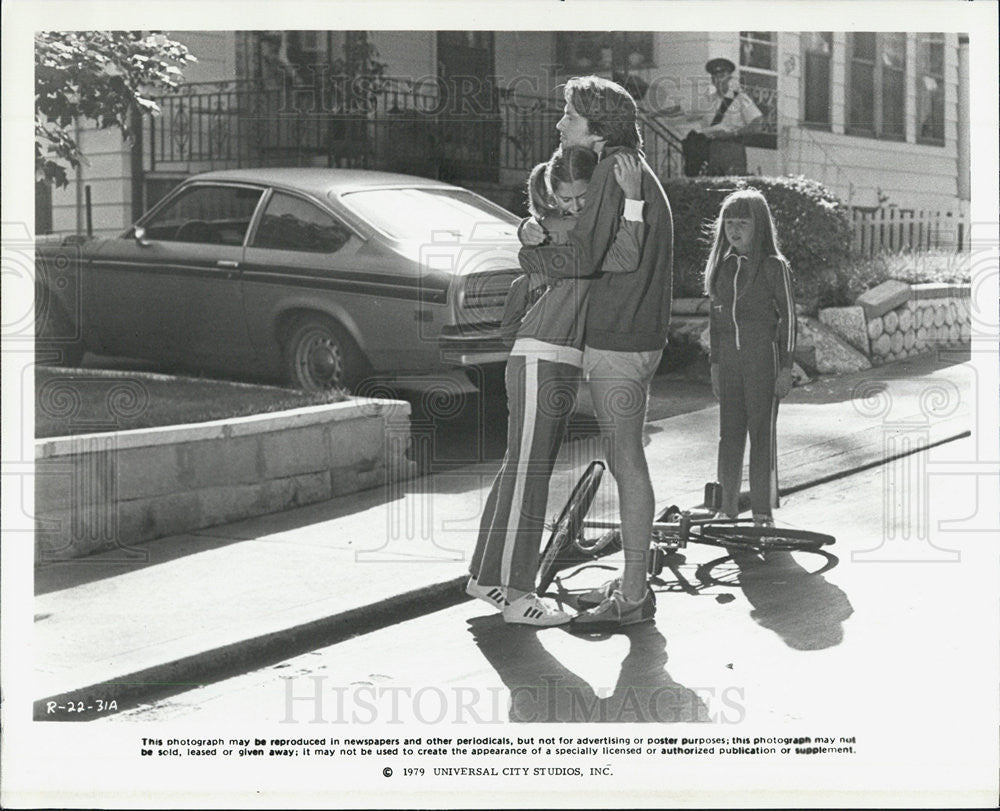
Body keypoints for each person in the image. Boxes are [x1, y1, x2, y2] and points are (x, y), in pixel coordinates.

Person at [467, 145, 646, 626]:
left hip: (554, 358)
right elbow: (625, 256)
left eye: (582, 197)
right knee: (529, 475)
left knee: (521, 469)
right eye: (566, 199)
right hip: (541, 357)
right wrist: (632, 202)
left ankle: (487, 578)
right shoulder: (572, 228)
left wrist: (533, 233)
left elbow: (538, 250)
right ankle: (519, 593)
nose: (574, 207)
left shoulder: (570, 226)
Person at [519, 75, 674, 629]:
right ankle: (633, 583)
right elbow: (598, 243)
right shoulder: (627, 167)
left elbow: (588, 256)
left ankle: (632, 597)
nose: (560, 125)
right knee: (624, 457)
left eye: (569, 115)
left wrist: (530, 258)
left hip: (618, 338)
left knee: (627, 461)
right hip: (635, 336)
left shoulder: (612, 168)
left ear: (597, 126)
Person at [705, 189, 796, 525]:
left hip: (763, 362)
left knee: (761, 434)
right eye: (729, 222)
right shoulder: (722, 268)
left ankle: (761, 510)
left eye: (742, 222)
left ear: (759, 226)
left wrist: (785, 368)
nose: (734, 229)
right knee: (729, 434)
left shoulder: (774, 267)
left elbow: (789, 319)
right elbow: (715, 324)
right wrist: (715, 366)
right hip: (729, 364)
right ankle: (726, 508)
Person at [681, 57, 762, 176]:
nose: (719, 80)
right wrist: (655, 113)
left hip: (732, 148)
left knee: (732, 186)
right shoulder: (707, 101)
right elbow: (684, 109)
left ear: (729, 78)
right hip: (712, 150)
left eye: (722, 76)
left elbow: (757, 123)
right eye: (715, 77)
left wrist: (732, 134)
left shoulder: (740, 98)